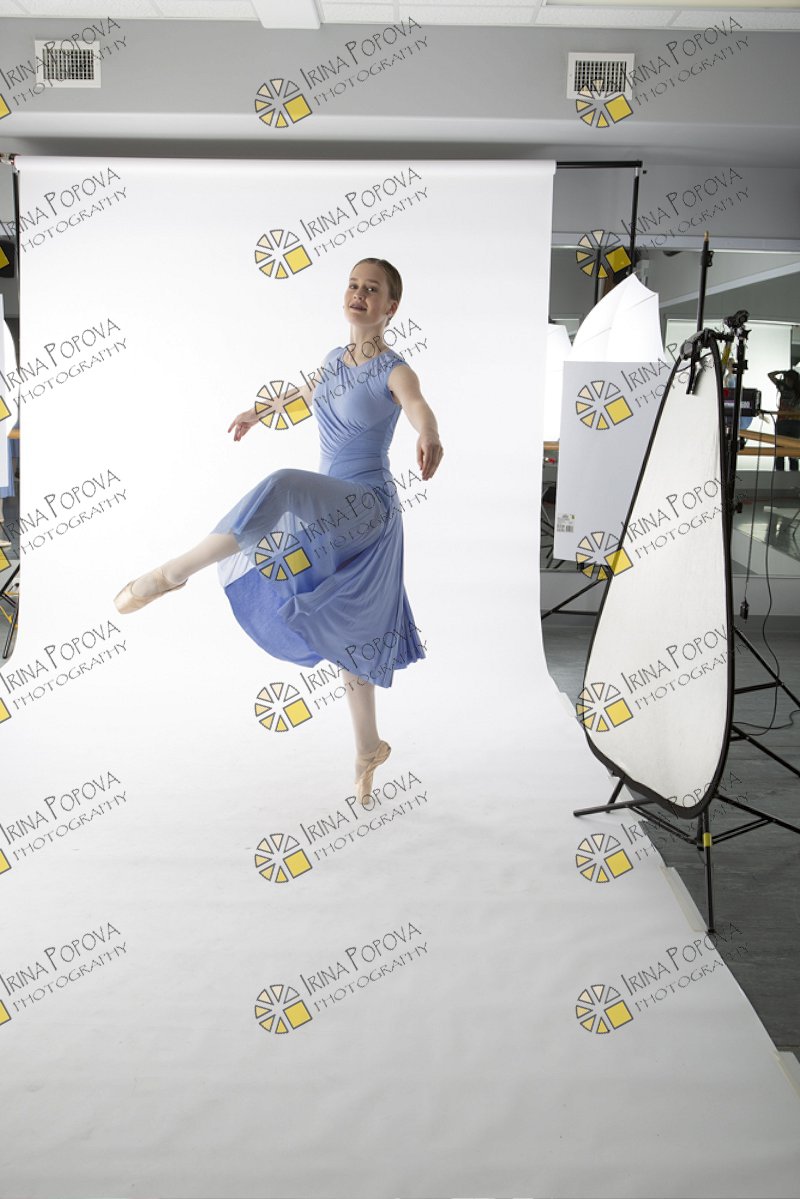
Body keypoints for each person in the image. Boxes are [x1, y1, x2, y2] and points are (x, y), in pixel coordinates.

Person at [114, 258, 443, 803]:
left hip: (368, 506)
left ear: (391, 306)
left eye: (372, 289)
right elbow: (304, 395)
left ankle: (170, 574)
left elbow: (417, 405)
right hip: (331, 506)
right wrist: (257, 411)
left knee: (284, 485)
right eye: (353, 285)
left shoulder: (395, 369)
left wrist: (429, 433)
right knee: (345, 628)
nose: (359, 294)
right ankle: (369, 748)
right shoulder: (333, 361)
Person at [768, 369, 800, 471]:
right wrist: (782, 371)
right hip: (790, 423)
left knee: (791, 452)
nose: (788, 381)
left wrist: (782, 372)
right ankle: (784, 475)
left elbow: (770, 375)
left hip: (790, 423)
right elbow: (770, 375)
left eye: (789, 379)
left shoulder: (784, 387)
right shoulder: (783, 387)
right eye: (787, 379)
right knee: (782, 451)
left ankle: (790, 475)